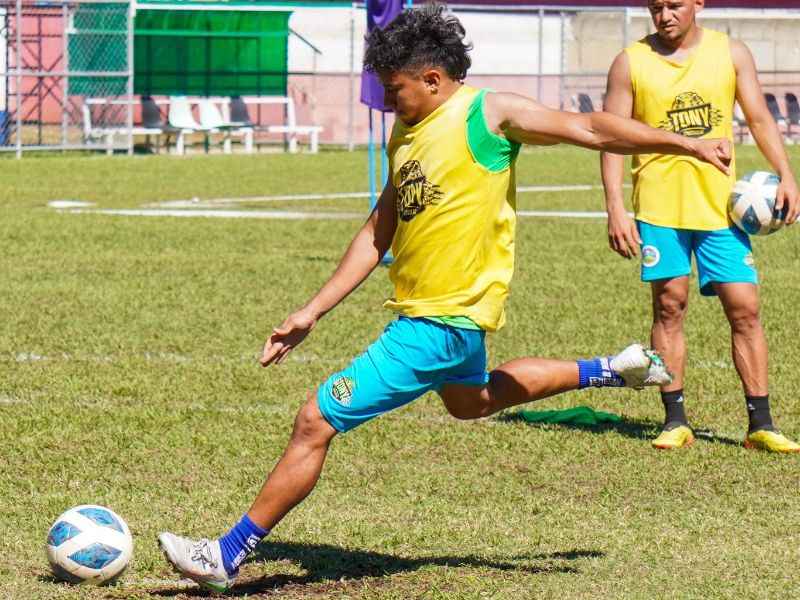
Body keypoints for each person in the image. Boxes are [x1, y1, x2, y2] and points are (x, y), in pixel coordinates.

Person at [158, 4, 733, 592]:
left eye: (395, 90)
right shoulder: (407, 131)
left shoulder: (488, 115)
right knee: (473, 401)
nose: (389, 102)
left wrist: (684, 144)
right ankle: (612, 368)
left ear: (432, 79)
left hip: (438, 324)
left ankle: (226, 554)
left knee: (315, 420)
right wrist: (311, 310)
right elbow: (378, 229)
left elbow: (589, 128)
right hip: (444, 322)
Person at [601, 0, 800, 452]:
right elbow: (611, 136)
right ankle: (675, 420)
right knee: (669, 307)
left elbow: (759, 118)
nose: (665, 15)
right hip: (659, 208)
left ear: (698, 4)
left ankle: (761, 425)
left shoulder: (731, 53)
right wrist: (615, 206)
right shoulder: (630, 62)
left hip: (720, 208)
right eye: (656, 7)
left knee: (745, 308)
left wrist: (786, 174)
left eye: (674, 5)